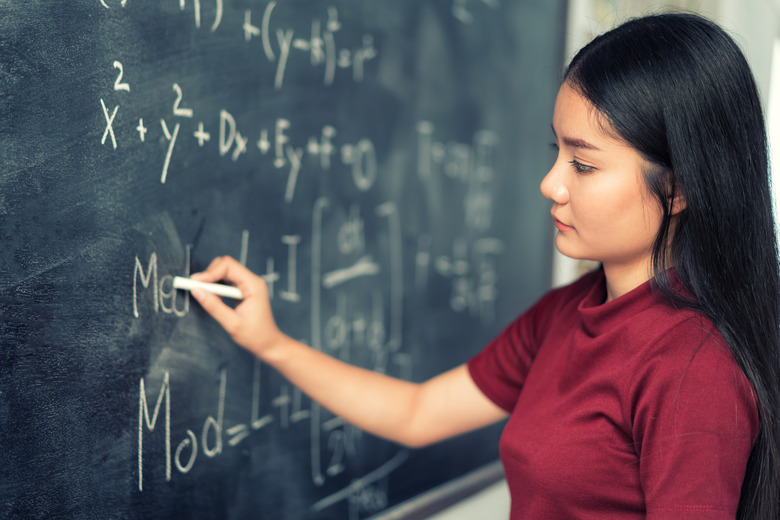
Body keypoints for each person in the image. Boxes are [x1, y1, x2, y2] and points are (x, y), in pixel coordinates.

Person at [189, 12, 780, 519]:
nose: (550, 184)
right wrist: (271, 343)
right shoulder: (566, 313)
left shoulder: (695, 368)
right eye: (558, 152)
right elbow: (417, 414)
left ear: (677, 188)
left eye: (585, 165)